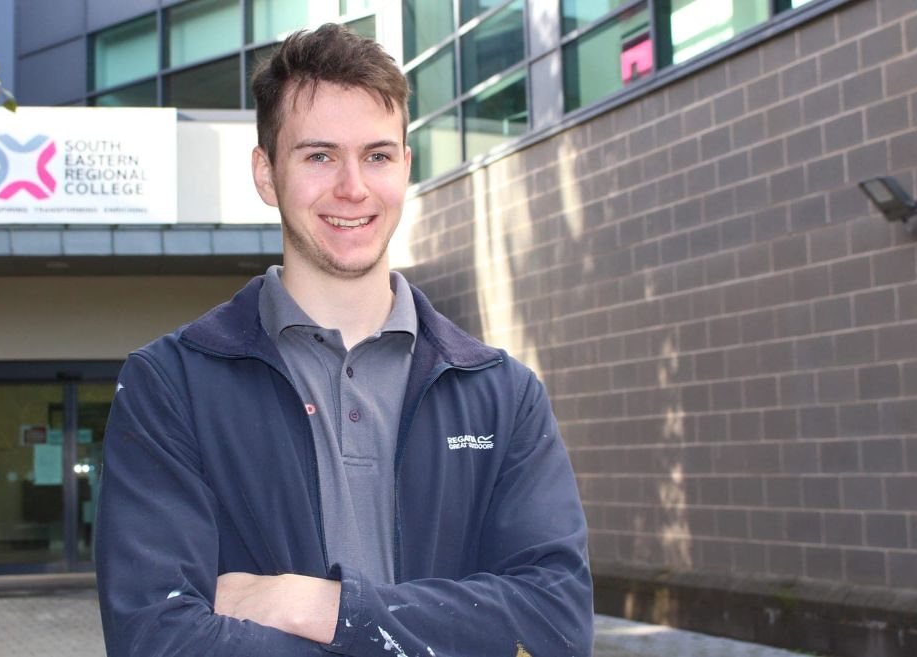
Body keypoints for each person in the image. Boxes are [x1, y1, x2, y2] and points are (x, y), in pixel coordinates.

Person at [96, 24, 592, 657]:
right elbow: (155, 639)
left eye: (378, 156)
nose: (353, 187)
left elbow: (554, 626)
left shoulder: (502, 393)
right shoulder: (171, 386)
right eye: (319, 155)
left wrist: (320, 606)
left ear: (406, 169)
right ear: (267, 174)